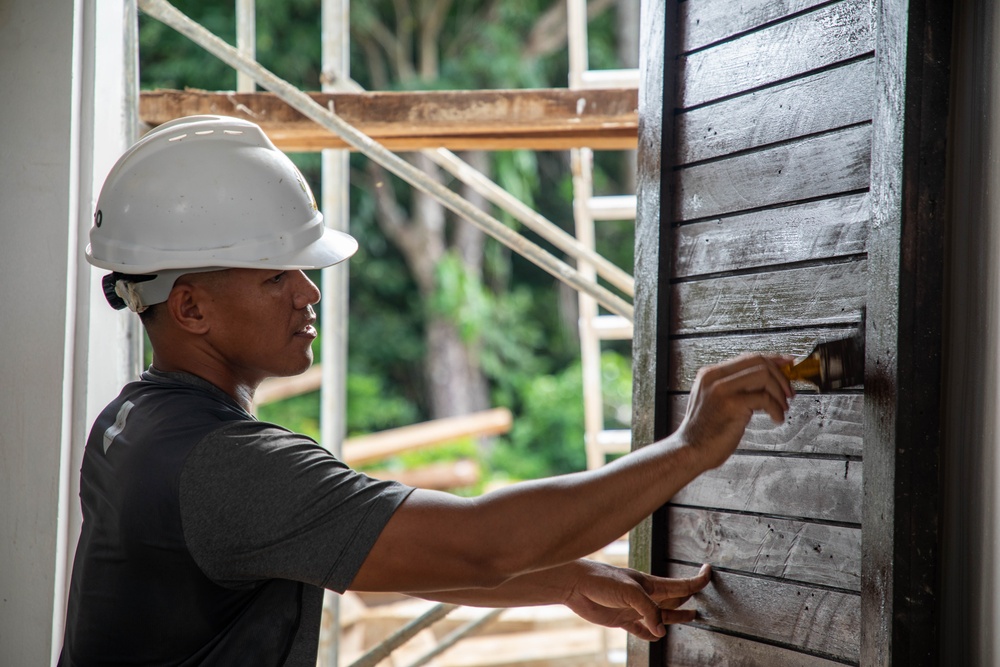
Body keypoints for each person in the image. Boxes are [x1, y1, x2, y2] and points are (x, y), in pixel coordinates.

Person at [58, 116, 794, 666]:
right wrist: (690, 446)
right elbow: (478, 544)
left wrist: (563, 580)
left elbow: (381, 550)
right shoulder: (227, 465)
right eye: (274, 275)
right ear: (189, 307)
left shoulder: (130, 422)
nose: (308, 292)